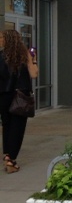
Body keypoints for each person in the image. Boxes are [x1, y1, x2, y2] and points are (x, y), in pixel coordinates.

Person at [0, 29, 38, 173]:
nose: (0, 40)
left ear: (8, 40)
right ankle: (11, 160)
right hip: (20, 96)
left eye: (2, 37)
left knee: (7, 125)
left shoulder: (0, 56)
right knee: (17, 127)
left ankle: (7, 154)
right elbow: (34, 74)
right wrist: (34, 59)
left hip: (3, 96)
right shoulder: (25, 56)